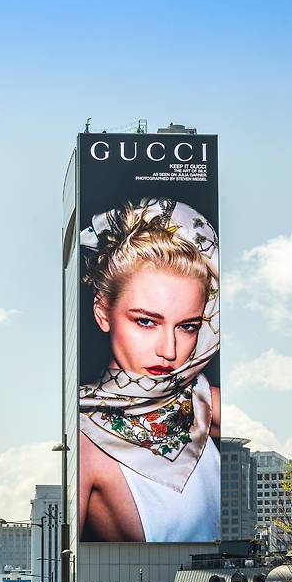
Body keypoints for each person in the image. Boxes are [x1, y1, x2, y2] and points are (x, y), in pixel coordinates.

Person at [79, 199, 220, 543]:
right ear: (103, 311)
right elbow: (67, 573)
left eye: (187, 326)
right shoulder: (82, 439)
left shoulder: (210, 405)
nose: (169, 351)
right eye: (146, 321)